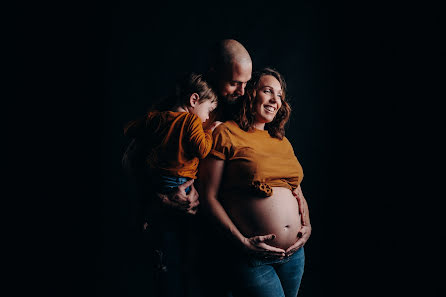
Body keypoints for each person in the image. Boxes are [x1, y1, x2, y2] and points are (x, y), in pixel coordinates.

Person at [198, 68, 311, 297]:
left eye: (279, 95)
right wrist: (242, 243)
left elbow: (296, 188)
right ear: (250, 94)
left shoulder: (281, 141)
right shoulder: (226, 133)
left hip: (294, 256)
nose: (274, 100)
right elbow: (207, 196)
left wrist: (307, 225)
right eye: (267, 91)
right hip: (250, 255)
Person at [122, 73, 220, 296]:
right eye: (207, 110)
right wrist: (210, 132)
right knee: (182, 238)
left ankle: (163, 264)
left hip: (158, 182)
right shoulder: (191, 121)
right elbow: (203, 150)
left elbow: (129, 129)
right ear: (194, 100)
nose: (206, 117)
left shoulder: (156, 118)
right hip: (180, 183)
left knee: (164, 239)